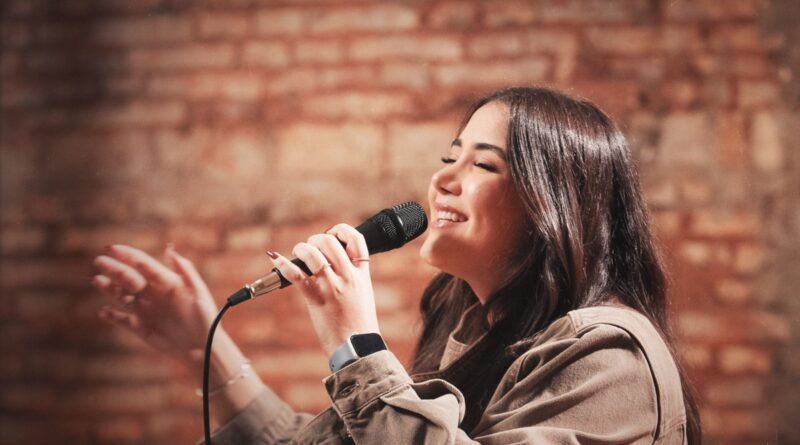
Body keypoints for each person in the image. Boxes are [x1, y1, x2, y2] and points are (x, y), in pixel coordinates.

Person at [91, 87, 701, 444]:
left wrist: (355, 345)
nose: (442, 179)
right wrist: (209, 345)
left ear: (556, 206)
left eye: (483, 166)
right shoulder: (476, 338)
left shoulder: (609, 357)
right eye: (449, 157)